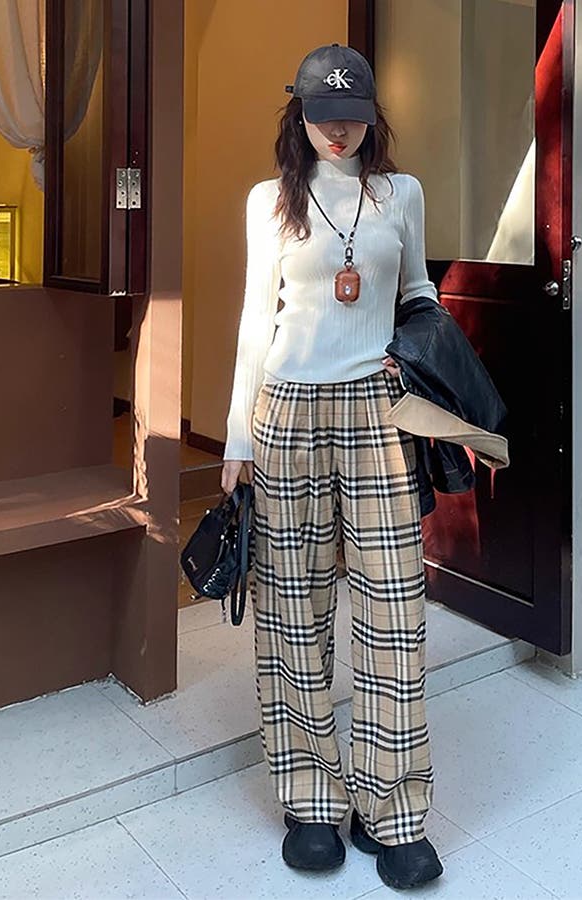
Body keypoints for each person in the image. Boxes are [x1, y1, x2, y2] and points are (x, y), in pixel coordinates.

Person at [221, 43, 443, 891]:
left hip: (378, 413)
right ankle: (312, 800)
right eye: (323, 117)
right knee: (293, 609)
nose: (338, 132)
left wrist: (419, 356)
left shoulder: (401, 194)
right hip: (286, 411)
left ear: (373, 116)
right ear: (300, 115)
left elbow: (418, 292)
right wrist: (237, 442)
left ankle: (394, 810)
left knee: (394, 610)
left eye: (352, 117)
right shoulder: (270, 200)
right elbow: (256, 322)